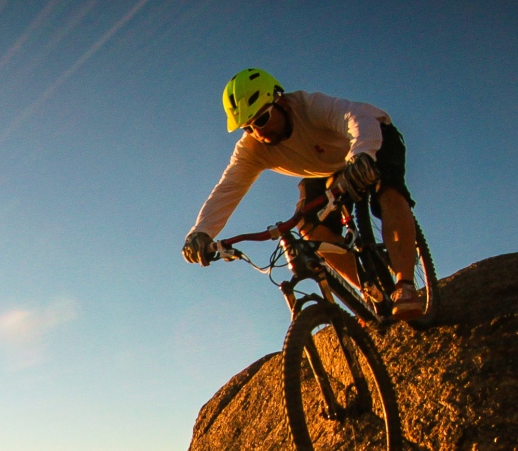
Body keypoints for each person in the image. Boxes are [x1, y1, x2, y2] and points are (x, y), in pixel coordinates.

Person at [180, 67, 424, 320]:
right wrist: (201, 232)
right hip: (325, 169)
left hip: (372, 139)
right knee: (309, 227)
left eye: (262, 119)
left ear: (281, 101)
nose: (258, 133)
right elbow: (228, 188)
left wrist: (362, 153)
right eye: (248, 128)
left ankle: (405, 285)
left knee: (388, 193)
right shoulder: (252, 149)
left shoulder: (309, 107)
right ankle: (370, 292)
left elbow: (356, 117)